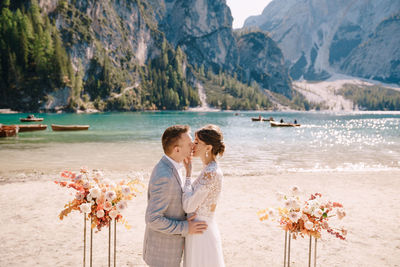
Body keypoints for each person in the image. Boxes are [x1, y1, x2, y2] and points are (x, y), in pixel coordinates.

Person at [143, 125, 208, 267]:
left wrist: (189, 172)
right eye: (189, 144)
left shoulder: (173, 165)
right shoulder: (165, 175)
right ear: (177, 149)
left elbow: (174, 201)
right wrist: (186, 227)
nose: (193, 146)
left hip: (167, 250)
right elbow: (153, 219)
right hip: (162, 255)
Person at [182, 124, 226, 267]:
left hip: (201, 232)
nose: (192, 146)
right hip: (199, 228)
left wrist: (188, 175)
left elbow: (188, 206)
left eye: (197, 143)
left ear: (208, 148)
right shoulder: (209, 169)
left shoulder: (211, 172)